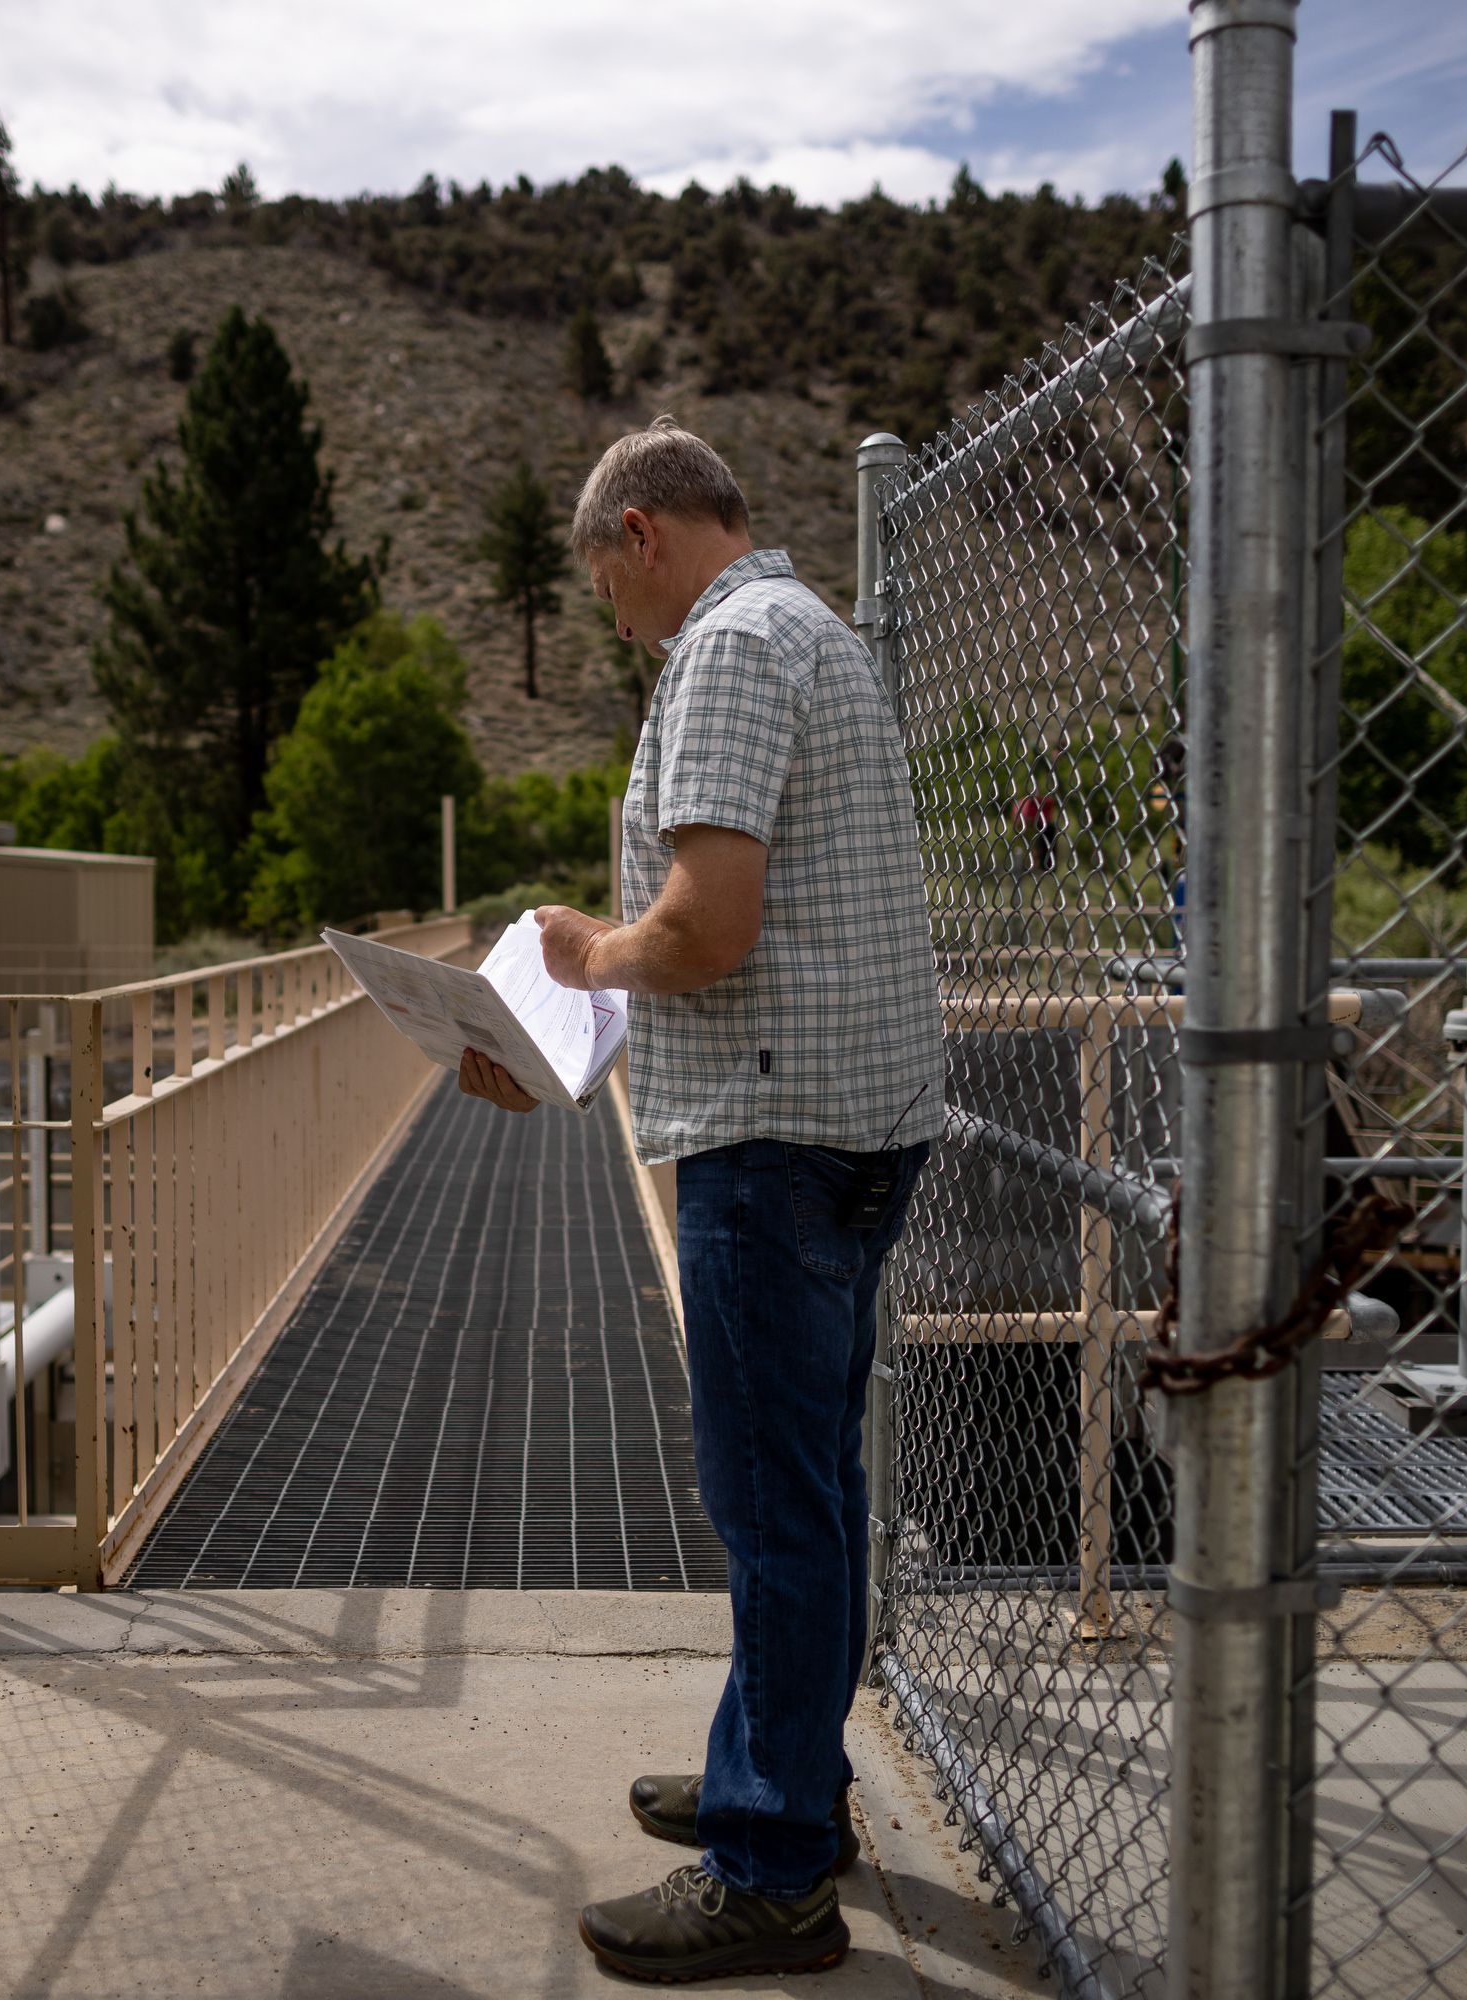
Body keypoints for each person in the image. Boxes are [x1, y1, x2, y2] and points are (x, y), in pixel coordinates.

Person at [454, 417, 944, 1983]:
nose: (612, 613)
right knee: (815, 1492)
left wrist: (579, 958)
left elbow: (708, 927)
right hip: (855, 1123)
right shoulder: (818, 630)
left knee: (771, 1510)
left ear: (645, 533)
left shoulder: (727, 650)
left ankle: (772, 1870)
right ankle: (788, 1781)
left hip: (774, 1134)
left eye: (606, 580)